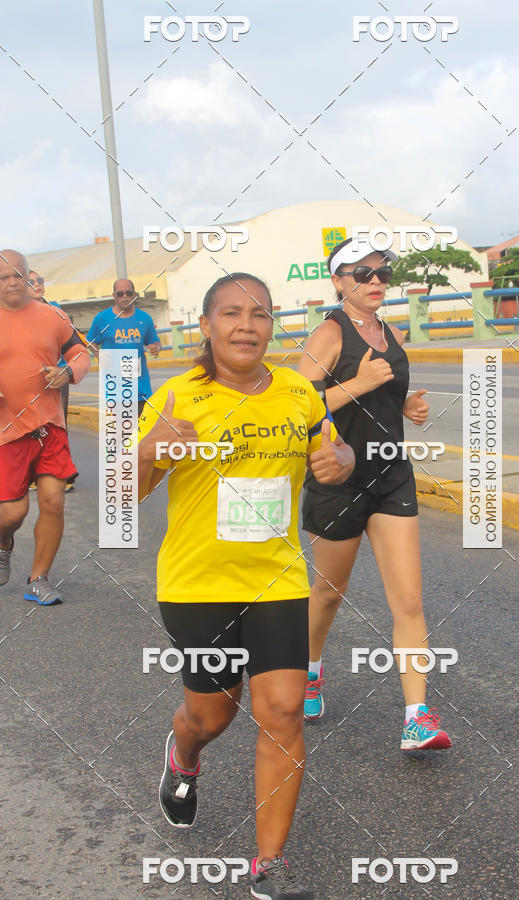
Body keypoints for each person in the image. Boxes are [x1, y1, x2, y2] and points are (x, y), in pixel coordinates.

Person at [137, 273, 354, 899]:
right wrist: (151, 449)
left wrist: (341, 463)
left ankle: (269, 868)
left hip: (277, 578)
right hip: (197, 583)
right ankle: (183, 753)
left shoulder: (297, 393)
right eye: (230, 313)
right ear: (205, 326)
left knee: (284, 711)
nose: (245, 325)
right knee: (213, 712)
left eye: (259, 313)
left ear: (272, 325)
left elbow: (335, 456)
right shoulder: (179, 397)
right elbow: (123, 497)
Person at [297, 237, 452, 751]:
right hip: (337, 479)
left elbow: (385, 390)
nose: (376, 282)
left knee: (408, 599)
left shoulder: (391, 331)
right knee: (327, 593)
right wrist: (359, 386)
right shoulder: (327, 334)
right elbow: (296, 409)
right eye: (362, 273)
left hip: (391, 476)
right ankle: (310, 671)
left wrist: (404, 404)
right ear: (339, 281)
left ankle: (417, 716)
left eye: (383, 272)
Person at [0, 250, 90, 604]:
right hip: (8, 431)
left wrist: (67, 372)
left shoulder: (52, 316)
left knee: (53, 501)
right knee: (13, 512)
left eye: (17, 276)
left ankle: (39, 578)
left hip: (50, 426)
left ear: (29, 278)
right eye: (3, 277)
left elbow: (81, 354)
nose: (11, 282)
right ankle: (4, 541)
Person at [27, 271, 75, 491]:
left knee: (59, 424)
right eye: (31, 282)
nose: (37, 285)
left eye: (40, 281)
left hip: (57, 374)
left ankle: (64, 476)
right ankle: (37, 475)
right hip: (30, 378)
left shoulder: (55, 308)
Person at [87, 278, 161, 415]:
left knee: (142, 434)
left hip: (141, 390)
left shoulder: (145, 319)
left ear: (134, 295)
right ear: (114, 296)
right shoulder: (102, 318)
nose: (125, 296)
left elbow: (155, 342)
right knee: (121, 434)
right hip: (116, 391)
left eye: (129, 293)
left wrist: (156, 348)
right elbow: (90, 340)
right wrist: (99, 355)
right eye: (120, 294)